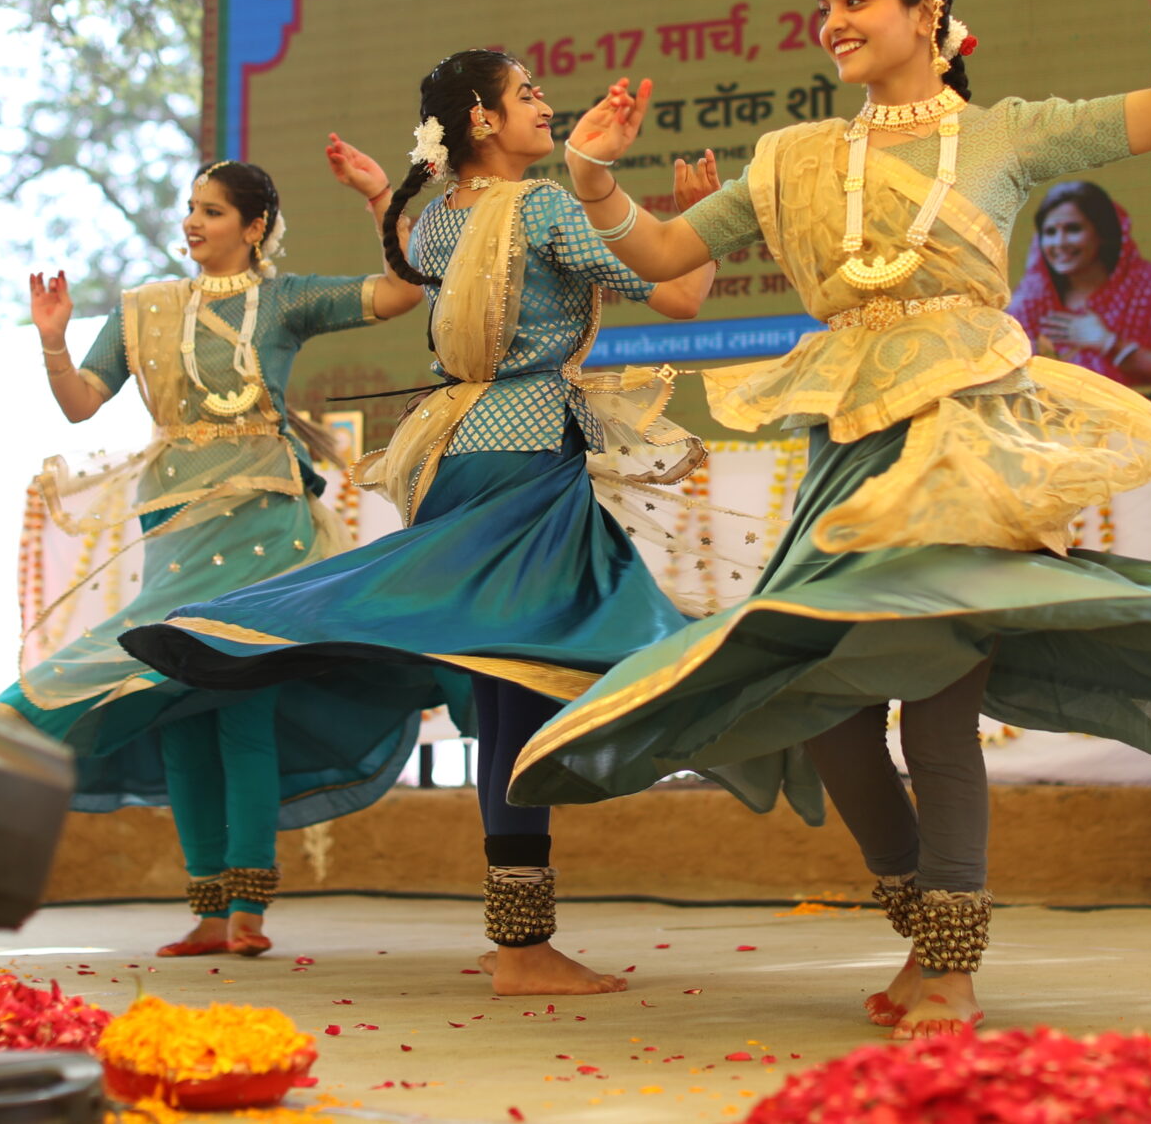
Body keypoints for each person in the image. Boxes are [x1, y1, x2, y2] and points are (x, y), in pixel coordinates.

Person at [510, 0, 1151, 1037]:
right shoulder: (794, 158)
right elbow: (662, 251)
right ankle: (922, 918)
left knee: (937, 707)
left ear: (928, 11)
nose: (833, 21)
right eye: (825, 6)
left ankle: (952, 963)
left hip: (959, 445)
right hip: (847, 451)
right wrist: (594, 174)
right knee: (826, 709)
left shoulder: (1007, 135)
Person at [122, 50, 718, 996]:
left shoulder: (442, 216)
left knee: (506, 685)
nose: (545, 105)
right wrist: (696, 217)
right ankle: (523, 945)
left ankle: (518, 934)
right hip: (526, 459)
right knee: (557, 674)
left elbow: (409, 252)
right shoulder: (544, 207)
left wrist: (378, 196)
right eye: (528, 94)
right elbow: (681, 293)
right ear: (482, 118)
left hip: (451, 455)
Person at [1, 150, 440, 960]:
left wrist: (381, 195)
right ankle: (208, 907)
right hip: (177, 524)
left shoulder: (286, 299)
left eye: (211, 210)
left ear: (254, 226)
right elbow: (80, 405)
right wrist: (54, 341)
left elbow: (402, 291)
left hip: (261, 524)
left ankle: (247, 907)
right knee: (174, 703)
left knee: (240, 702)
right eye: (191, 207)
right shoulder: (144, 309)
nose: (192, 222)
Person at [1007, 180, 1151, 389]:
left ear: (1102, 233)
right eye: (1050, 232)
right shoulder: (1031, 301)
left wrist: (1110, 344)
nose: (1060, 243)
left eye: (1073, 229)